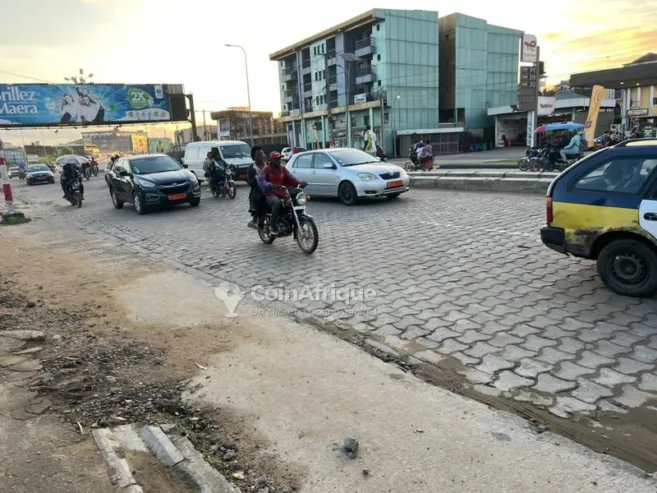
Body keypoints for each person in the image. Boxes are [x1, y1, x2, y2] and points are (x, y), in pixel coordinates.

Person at [257, 151, 307, 234]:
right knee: (276, 202)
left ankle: (291, 220)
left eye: (279, 159)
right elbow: (261, 181)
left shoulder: (283, 169)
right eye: (277, 159)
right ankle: (273, 225)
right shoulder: (266, 170)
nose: (279, 161)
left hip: (282, 193)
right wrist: (271, 185)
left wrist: (299, 183)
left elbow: (291, 179)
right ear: (271, 160)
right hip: (270, 194)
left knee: (294, 198)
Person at [247, 146, 267, 227]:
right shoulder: (251, 168)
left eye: (262, 154)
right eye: (258, 155)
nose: (261, 156)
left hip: (270, 188)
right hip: (257, 190)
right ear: (254, 157)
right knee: (261, 198)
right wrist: (258, 176)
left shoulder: (268, 166)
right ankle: (255, 219)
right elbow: (251, 183)